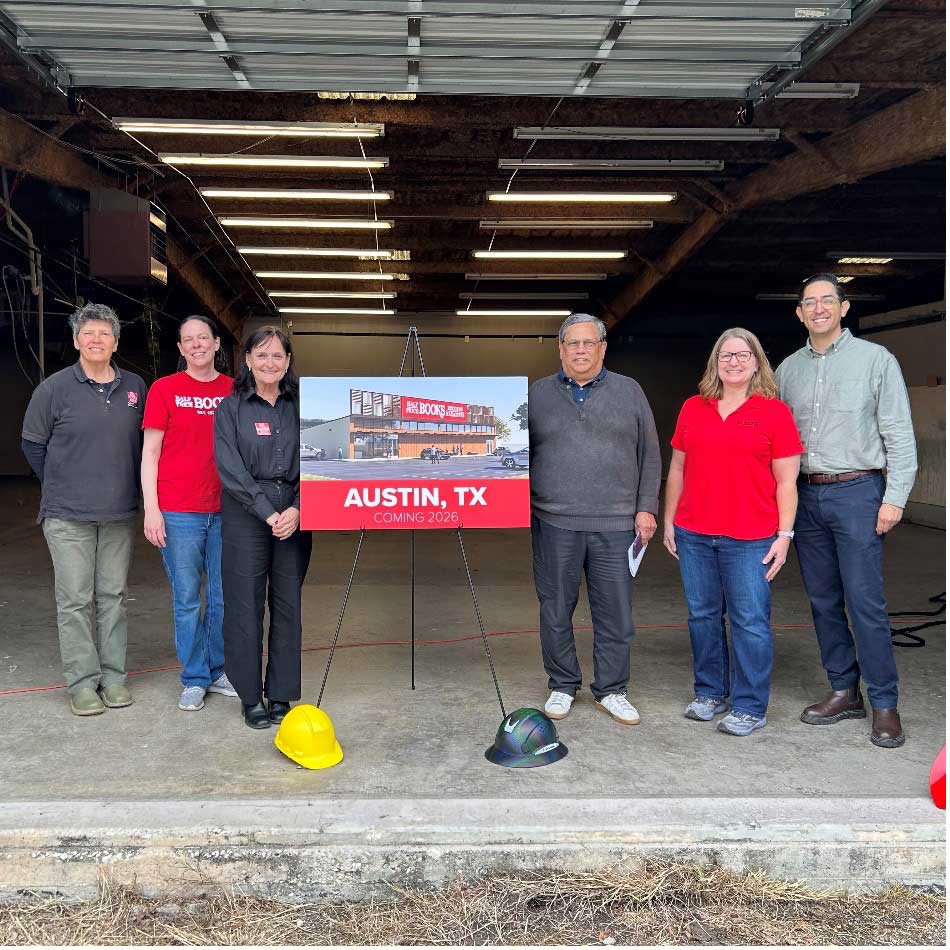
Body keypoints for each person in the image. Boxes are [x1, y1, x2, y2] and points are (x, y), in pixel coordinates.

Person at [776, 274, 917, 748]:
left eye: (826, 301)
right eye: (808, 302)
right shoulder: (787, 370)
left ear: (844, 307)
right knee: (822, 602)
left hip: (858, 493)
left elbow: (898, 432)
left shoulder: (876, 360)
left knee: (865, 603)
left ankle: (884, 704)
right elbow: (775, 442)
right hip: (807, 495)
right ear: (799, 313)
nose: (818, 309)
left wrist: (894, 497)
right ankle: (843, 691)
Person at [663, 329, 803, 736]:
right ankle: (710, 693)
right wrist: (670, 519)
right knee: (702, 618)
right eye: (726, 355)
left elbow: (786, 483)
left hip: (751, 538)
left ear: (757, 362)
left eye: (743, 355)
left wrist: (785, 534)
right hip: (694, 533)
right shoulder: (693, 408)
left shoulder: (775, 413)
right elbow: (677, 468)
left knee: (750, 622)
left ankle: (749, 705)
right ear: (715, 363)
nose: (734, 362)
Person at [529, 313, 661, 726]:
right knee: (555, 609)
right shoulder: (536, 395)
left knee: (616, 613)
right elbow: (514, 458)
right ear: (561, 349)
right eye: (573, 344)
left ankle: (612, 689)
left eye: (589, 343)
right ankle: (562, 684)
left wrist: (646, 506)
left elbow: (650, 454)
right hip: (554, 521)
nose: (581, 350)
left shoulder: (630, 391)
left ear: (603, 348)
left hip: (617, 523)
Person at [21, 303, 146, 716]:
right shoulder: (54, 389)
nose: (96, 340)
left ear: (115, 341)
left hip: (119, 514)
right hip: (67, 516)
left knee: (112, 596)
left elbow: (149, 446)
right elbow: (33, 445)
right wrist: (60, 482)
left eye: (104, 333)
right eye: (88, 333)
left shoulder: (135, 387)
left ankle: (113, 678)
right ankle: (81, 683)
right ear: (76, 341)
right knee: (75, 599)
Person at [214, 326, 312, 730]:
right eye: (262, 355)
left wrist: (300, 508)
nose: (269, 363)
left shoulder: (303, 406)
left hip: (295, 511)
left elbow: (322, 462)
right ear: (248, 360)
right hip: (245, 512)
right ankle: (250, 695)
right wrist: (266, 511)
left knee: (287, 605)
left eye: (278, 356)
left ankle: (280, 694)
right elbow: (229, 467)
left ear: (288, 362)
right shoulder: (231, 408)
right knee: (245, 605)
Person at [141, 315, 238, 712]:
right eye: (188, 340)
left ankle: (218, 670)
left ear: (217, 344)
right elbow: (150, 453)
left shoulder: (235, 390)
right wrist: (152, 509)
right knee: (186, 599)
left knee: (222, 598)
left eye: (203, 338)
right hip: (179, 511)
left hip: (228, 510)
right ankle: (194, 677)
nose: (196, 345)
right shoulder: (165, 390)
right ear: (180, 349)